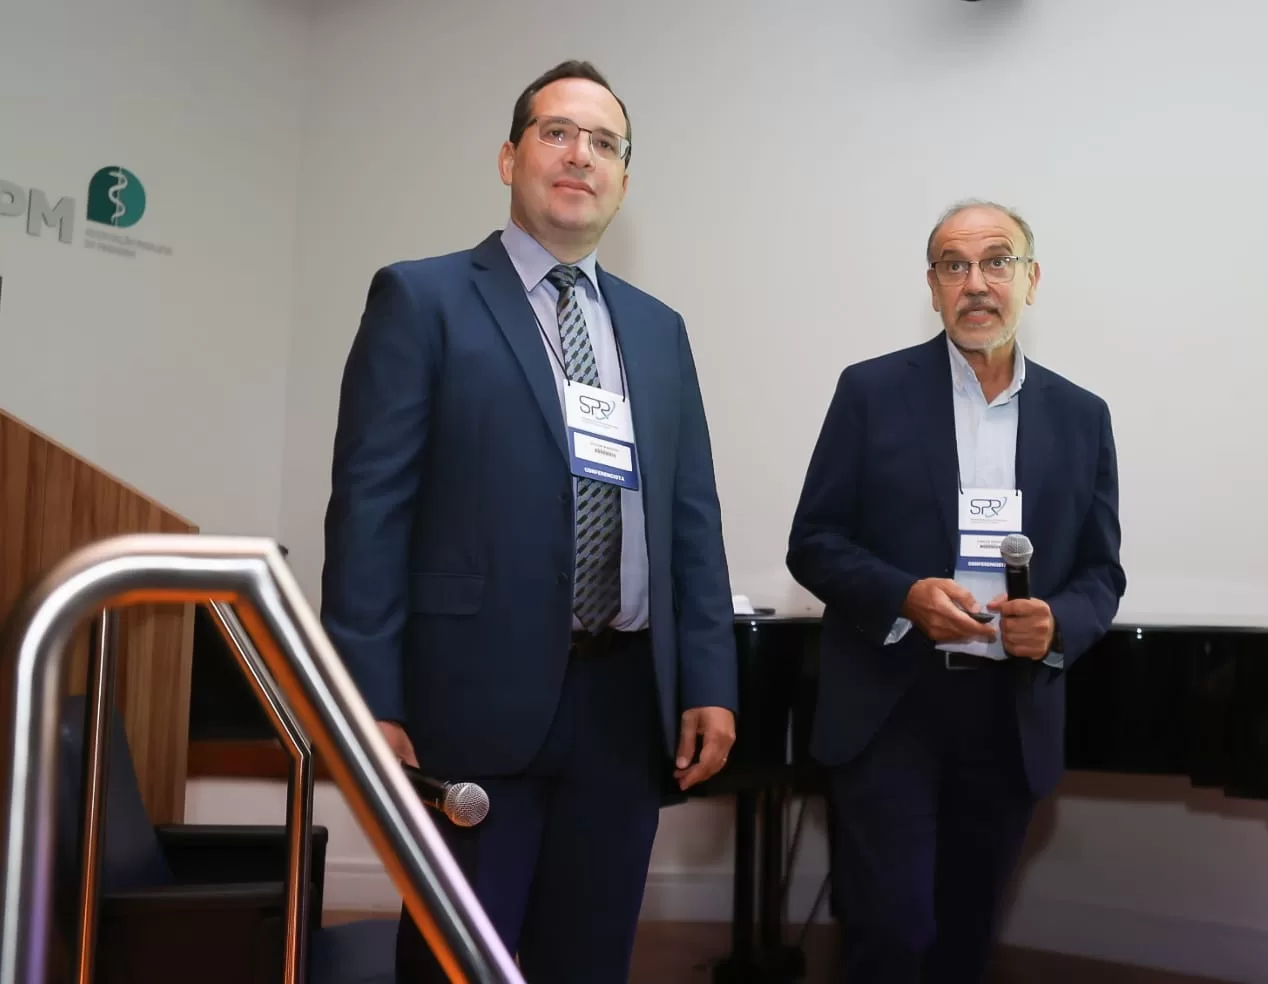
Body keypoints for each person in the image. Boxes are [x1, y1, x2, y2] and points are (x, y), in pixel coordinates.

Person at [320, 60, 739, 984]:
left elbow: (690, 518)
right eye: (557, 133)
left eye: (605, 144)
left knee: (589, 960)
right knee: (454, 963)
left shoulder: (658, 329)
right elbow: (370, 513)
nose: (580, 155)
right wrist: (368, 700)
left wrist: (710, 677)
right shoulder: (421, 298)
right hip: (470, 700)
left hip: (625, 707)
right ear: (510, 158)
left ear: (623, 179)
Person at [786, 200, 1125, 983]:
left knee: (963, 942)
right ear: (933, 286)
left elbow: (1100, 573)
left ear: (1030, 280)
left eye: (996, 261)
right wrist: (904, 595)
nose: (975, 282)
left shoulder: (1082, 417)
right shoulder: (870, 392)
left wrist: (1058, 623)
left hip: (1009, 713)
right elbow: (814, 542)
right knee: (891, 930)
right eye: (953, 265)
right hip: (892, 704)